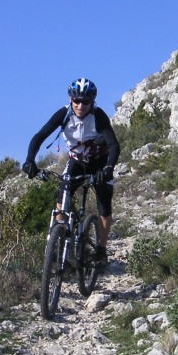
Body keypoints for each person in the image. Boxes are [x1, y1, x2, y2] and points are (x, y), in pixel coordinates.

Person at [22, 77, 120, 268]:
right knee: (61, 204)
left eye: (85, 101)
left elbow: (114, 145)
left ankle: (101, 249)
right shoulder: (63, 114)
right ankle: (61, 247)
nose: (80, 105)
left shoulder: (98, 116)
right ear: (70, 99)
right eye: (77, 100)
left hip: (99, 163)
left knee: (104, 208)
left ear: (92, 101)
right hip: (77, 162)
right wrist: (30, 160)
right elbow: (39, 136)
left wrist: (108, 168)